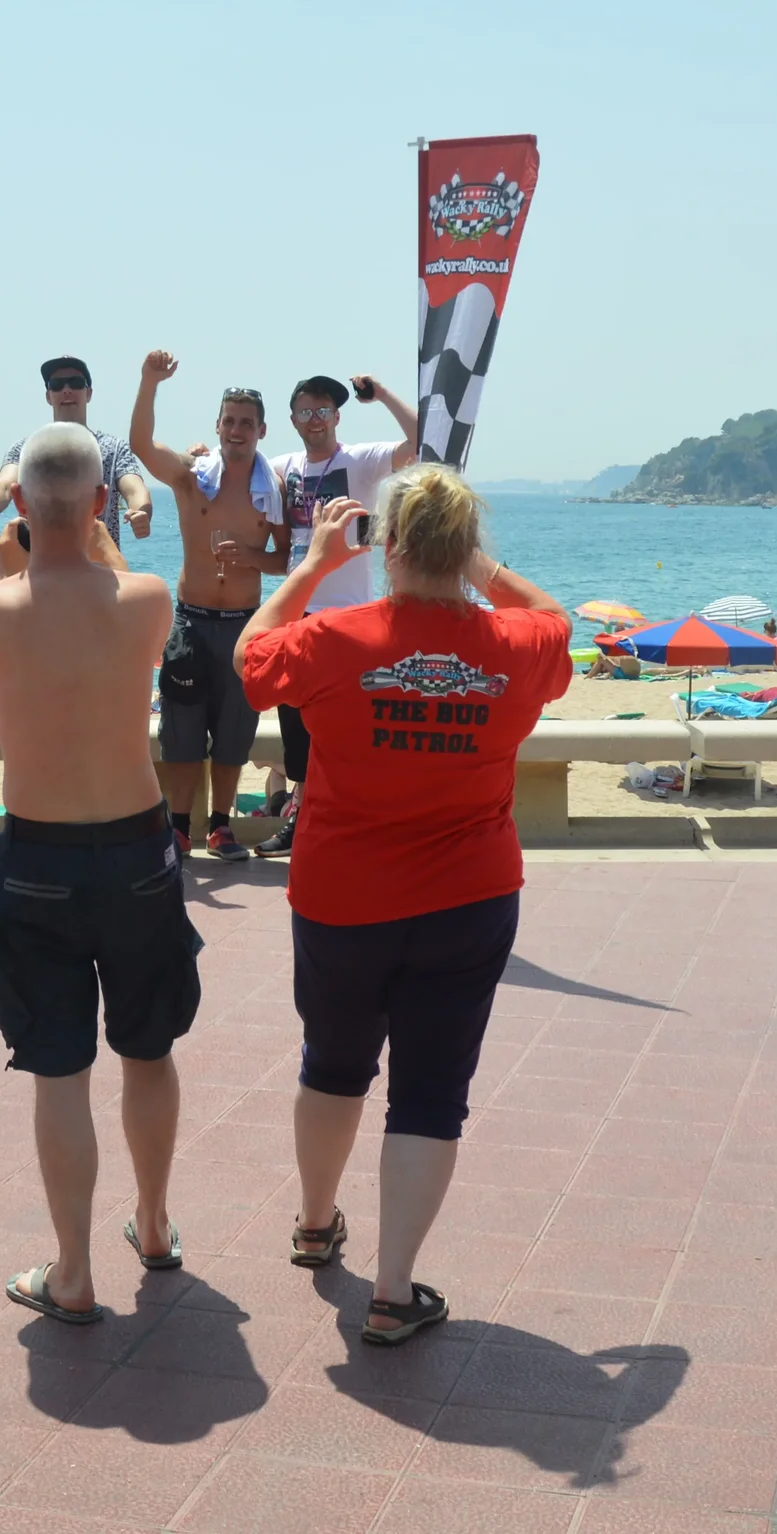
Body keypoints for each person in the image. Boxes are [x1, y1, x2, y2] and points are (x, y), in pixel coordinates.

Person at [236, 470, 572, 1345]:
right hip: (469, 897)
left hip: (344, 897)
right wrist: (481, 569)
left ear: (387, 548)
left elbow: (248, 659)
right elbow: (556, 617)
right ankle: (392, 1291)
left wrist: (309, 566)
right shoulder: (514, 642)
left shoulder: (335, 636)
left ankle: (315, 1223)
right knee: (430, 1094)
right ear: (462, 550)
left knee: (333, 1064)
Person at [0, 425, 191, 1322]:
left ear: (18, 507)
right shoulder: (149, 598)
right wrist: (88, 521)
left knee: (61, 1073)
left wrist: (22, 538)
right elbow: (107, 571)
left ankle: (73, 1270)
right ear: (100, 506)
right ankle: (156, 1224)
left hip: (37, 854)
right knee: (148, 1050)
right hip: (136, 849)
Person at [129, 351, 286, 861]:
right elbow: (141, 446)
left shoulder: (275, 490)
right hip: (193, 622)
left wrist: (252, 558)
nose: (236, 430)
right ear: (217, 426)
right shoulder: (193, 475)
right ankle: (177, 827)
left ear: (261, 430)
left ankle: (220, 826)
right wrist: (149, 381)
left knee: (234, 735)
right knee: (182, 733)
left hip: (245, 627)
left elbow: (284, 560)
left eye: (246, 423)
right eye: (229, 421)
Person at [260, 373, 419, 854]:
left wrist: (384, 394)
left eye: (323, 410)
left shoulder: (362, 460)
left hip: (351, 615)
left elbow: (422, 439)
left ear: (337, 416)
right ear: (292, 419)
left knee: (352, 724)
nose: (314, 419)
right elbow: (232, 468)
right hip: (297, 615)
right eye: (305, 411)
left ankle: (358, 822)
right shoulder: (281, 466)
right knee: (296, 727)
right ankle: (302, 818)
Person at [0, 356, 151, 561]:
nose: (66, 390)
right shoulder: (27, 449)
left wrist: (141, 512)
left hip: (100, 579)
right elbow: (4, 484)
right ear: (49, 396)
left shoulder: (115, 449)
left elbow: (135, 488)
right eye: (57, 385)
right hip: (40, 576)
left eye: (75, 383)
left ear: (89, 393)